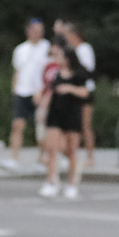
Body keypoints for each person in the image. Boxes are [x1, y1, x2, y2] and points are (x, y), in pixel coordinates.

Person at [39, 39, 87, 199]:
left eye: (60, 56)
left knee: (72, 150)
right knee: (51, 148)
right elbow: (50, 91)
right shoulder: (55, 73)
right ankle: (51, 180)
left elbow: (85, 93)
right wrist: (42, 109)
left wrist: (69, 88)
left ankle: (71, 183)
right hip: (55, 113)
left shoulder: (79, 74)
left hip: (72, 113)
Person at [1, 18, 50, 172]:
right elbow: (18, 71)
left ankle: (42, 158)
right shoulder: (20, 49)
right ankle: (14, 157)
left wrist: (44, 91)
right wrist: (15, 90)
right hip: (23, 91)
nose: (38, 33)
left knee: (41, 127)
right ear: (28, 31)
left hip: (40, 92)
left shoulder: (47, 48)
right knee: (17, 124)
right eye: (35, 30)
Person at [55, 20, 97, 165]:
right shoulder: (68, 50)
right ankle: (69, 154)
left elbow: (87, 71)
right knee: (70, 125)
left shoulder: (84, 49)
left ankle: (90, 156)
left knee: (85, 125)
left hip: (84, 89)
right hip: (71, 91)